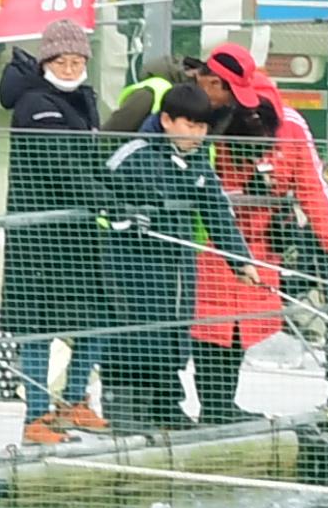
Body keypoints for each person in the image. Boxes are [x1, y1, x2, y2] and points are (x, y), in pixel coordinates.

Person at [191, 45, 328, 425]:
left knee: (240, 328)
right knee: (209, 327)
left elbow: (311, 184)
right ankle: (211, 405)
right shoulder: (202, 118)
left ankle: (222, 404)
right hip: (210, 242)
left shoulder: (288, 125)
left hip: (258, 246)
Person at [98, 84, 265, 431]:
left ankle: (165, 404)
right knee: (138, 335)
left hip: (176, 266)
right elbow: (101, 190)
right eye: (190, 126)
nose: (197, 135)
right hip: (135, 268)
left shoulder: (198, 164)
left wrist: (240, 260)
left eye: (203, 128)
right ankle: (126, 409)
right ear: (167, 121)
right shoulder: (135, 155)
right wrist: (125, 214)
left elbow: (217, 210)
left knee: (173, 332)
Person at [0, 24, 108, 444]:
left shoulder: (82, 98)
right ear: (46, 63)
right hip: (40, 233)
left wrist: (118, 195)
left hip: (79, 230)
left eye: (78, 61)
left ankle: (74, 400)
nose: (70, 67)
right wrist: (107, 200)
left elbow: (91, 162)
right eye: (62, 61)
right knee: (39, 326)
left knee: (95, 318)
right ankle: (36, 416)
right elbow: (60, 163)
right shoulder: (35, 104)